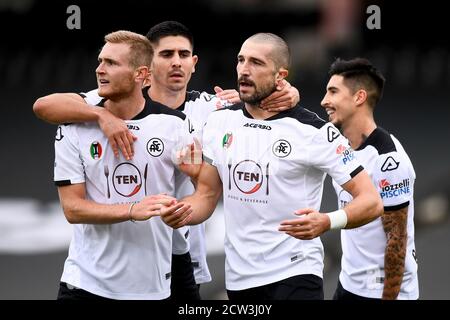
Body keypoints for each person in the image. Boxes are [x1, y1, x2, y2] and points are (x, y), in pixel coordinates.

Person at [33, 21, 300, 299]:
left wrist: (290, 94)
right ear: (146, 70)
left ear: (194, 62)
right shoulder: (105, 100)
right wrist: (103, 116)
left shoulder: (212, 108)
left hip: (179, 249)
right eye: (166, 55)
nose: (176, 63)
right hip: (111, 260)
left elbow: (267, 97)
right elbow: (44, 105)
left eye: (183, 55)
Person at [162, 33, 383, 300]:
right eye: (241, 60)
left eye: (256, 62)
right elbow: (207, 195)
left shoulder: (313, 132)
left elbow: (371, 200)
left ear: (281, 76)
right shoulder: (220, 122)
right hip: (239, 278)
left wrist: (327, 221)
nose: (244, 70)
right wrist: (181, 213)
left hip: (296, 271)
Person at [42, 30, 192, 300]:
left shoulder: (176, 125)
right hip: (84, 284)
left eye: (111, 63)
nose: (100, 69)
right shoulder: (75, 123)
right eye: (101, 61)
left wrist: (184, 210)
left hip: (152, 286)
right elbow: (73, 209)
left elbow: (203, 187)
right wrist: (133, 209)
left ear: (140, 74)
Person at [320, 57, 419, 300]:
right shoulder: (340, 147)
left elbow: (396, 240)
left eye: (333, 91)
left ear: (359, 97)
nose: (324, 101)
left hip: (381, 292)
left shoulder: (388, 159)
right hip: (348, 284)